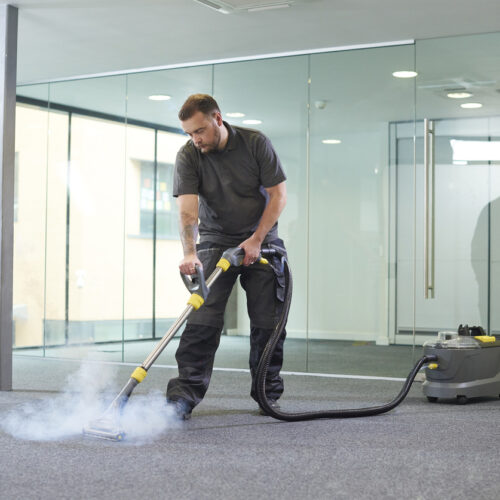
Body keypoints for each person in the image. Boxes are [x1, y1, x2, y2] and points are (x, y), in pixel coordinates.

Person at [166, 94, 288, 419]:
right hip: (216, 240)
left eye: (200, 131)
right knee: (201, 321)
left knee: (268, 324)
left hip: (262, 241)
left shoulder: (255, 143)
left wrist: (256, 239)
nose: (196, 139)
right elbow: (188, 210)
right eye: (189, 133)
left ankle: (266, 393)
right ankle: (182, 397)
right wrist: (190, 253)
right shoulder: (189, 155)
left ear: (217, 118)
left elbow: (279, 196)